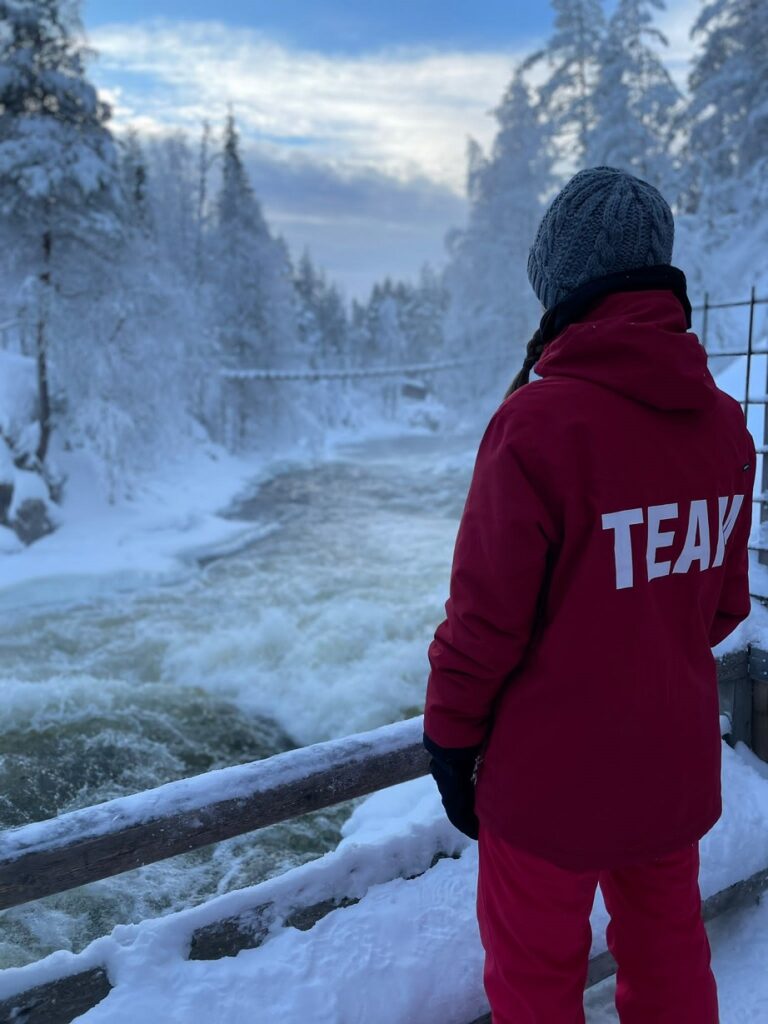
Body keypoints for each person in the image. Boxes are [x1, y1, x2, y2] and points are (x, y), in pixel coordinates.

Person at [422, 166, 755, 1024]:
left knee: (535, 980)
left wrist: (450, 742)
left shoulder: (538, 423)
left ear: (560, 285)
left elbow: (483, 627)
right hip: (671, 765)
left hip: (549, 787)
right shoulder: (722, 424)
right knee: (670, 952)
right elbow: (722, 607)